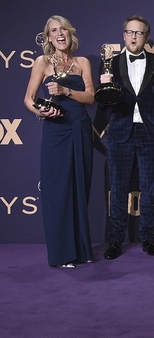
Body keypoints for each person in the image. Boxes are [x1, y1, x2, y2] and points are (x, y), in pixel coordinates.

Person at [23, 15, 95, 268]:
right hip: (55, 131)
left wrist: (66, 91)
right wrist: (40, 111)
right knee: (58, 191)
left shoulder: (82, 62)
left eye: (63, 29)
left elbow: (90, 98)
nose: (60, 34)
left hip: (80, 128)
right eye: (54, 31)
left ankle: (82, 249)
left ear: (70, 33)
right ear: (48, 37)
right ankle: (62, 253)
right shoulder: (41, 62)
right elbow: (29, 99)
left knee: (79, 187)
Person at [101, 15, 154, 260]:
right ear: (123, 35)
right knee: (117, 190)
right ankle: (115, 241)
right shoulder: (110, 63)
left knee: (150, 189)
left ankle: (148, 238)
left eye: (139, 33)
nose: (134, 37)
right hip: (120, 132)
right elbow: (103, 101)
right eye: (130, 32)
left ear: (146, 37)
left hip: (151, 132)